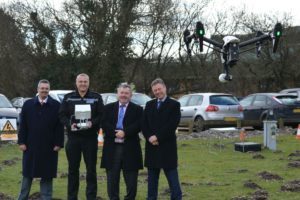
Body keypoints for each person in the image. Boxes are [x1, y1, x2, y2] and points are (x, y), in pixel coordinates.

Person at [59, 73, 104, 200]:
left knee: (91, 170)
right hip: (73, 138)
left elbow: (101, 115)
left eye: (85, 81)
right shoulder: (68, 98)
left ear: (88, 83)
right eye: (80, 81)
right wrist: (69, 124)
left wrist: (92, 123)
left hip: (90, 138)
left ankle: (91, 197)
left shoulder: (96, 97)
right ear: (76, 82)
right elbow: (61, 115)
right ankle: (72, 197)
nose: (83, 84)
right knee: (73, 169)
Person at [17, 79, 64, 200]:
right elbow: (23, 125)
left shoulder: (56, 105)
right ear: (37, 89)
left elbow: (59, 127)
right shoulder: (28, 105)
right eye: (42, 88)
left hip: (49, 147)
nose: (44, 90)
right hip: (30, 145)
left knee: (47, 175)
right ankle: (22, 197)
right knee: (27, 175)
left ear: (49, 90)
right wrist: (21, 141)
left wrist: (59, 143)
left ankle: (46, 198)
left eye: (46, 89)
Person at [101, 83, 143, 200]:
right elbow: (104, 123)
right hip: (112, 147)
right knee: (112, 179)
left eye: (126, 93)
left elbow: (139, 124)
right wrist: (115, 132)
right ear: (117, 94)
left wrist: (125, 132)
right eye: (121, 93)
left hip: (130, 147)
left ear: (130, 95)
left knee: (131, 180)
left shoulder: (138, 109)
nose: (123, 95)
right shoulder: (108, 108)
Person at [142, 78, 182, 200]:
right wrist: (149, 137)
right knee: (152, 183)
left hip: (167, 148)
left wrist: (157, 136)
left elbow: (172, 125)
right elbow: (144, 124)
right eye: (155, 90)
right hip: (152, 148)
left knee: (173, 182)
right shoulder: (149, 105)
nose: (158, 92)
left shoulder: (174, 105)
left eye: (159, 89)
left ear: (165, 88)